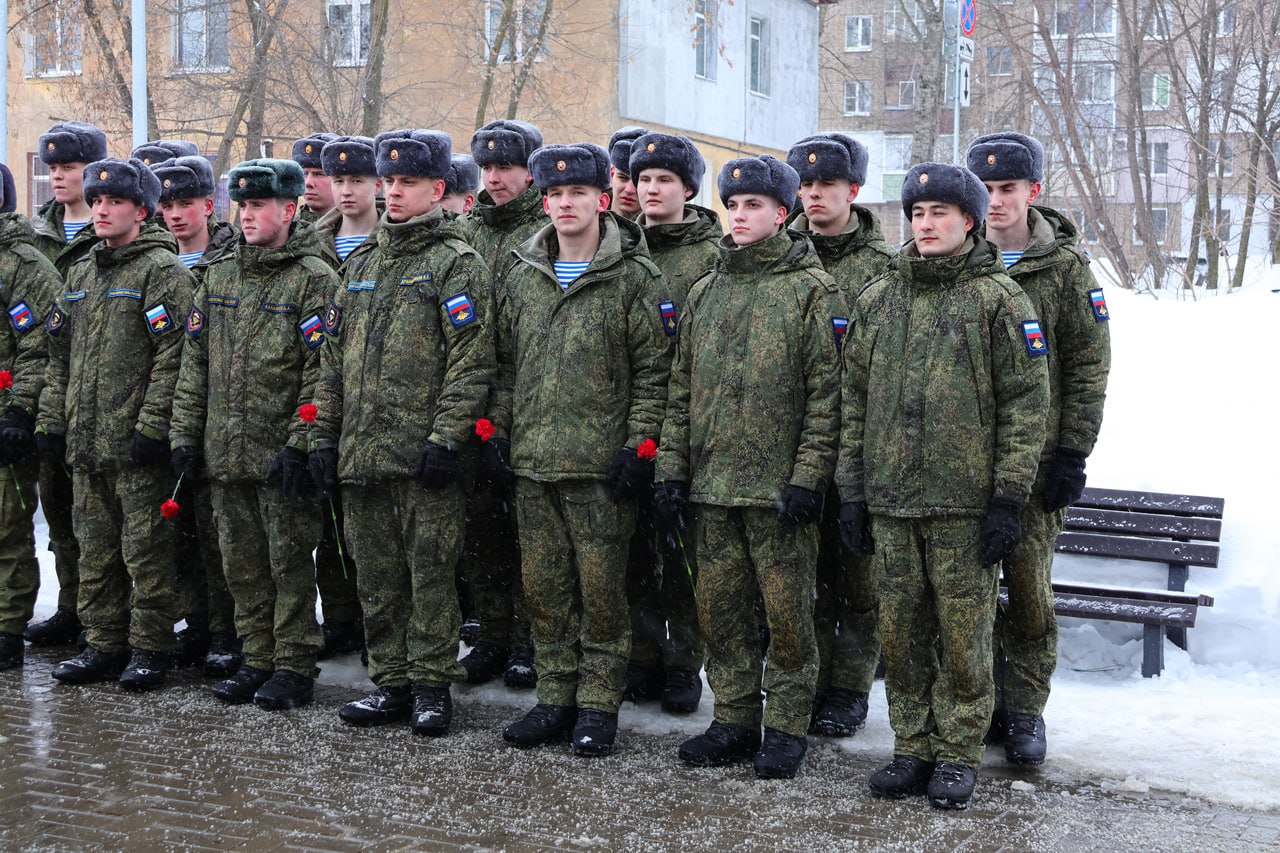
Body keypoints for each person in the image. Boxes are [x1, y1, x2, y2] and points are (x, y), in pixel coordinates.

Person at [836, 162, 1049, 809]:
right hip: (893, 501)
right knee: (899, 634)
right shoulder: (879, 297)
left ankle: (957, 751)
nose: (926, 225)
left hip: (963, 504)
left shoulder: (1000, 300)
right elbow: (854, 400)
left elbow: (1025, 408)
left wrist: (1009, 498)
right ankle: (913, 745)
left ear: (970, 220)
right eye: (918, 214)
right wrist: (852, 490)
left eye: (940, 214)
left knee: (963, 637)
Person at [654, 155, 841, 780]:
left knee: (787, 616)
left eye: (753, 206)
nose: (739, 216)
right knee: (721, 610)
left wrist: (807, 477)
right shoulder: (707, 290)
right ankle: (733, 717)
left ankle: (785, 725)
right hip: (713, 487)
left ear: (782, 215)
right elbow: (681, 391)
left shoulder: (812, 291)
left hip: (777, 490)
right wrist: (673, 471)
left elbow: (827, 395)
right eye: (732, 206)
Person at [308, 129, 495, 736]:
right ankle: (390, 682)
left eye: (406, 183)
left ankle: (431, 686)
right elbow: (330, 361)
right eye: (387, 181)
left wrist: (446, 439)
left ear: (437, 189)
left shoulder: (455, 262)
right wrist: (324, 436)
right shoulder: (358, 265)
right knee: (378, 576)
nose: (392, 192)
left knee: (430, 574)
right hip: (363, 453)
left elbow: (471, 360)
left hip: (423, 454)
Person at [496, 142, 668, 756]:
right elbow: (505, 367)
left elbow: (655, 373)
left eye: (576, 194)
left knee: (601, 596)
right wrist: (498, 433)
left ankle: (597, 704)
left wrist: (638, 448)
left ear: (602, 200)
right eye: (554, 195)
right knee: (544, 591)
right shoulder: (521, 274)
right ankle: (554, 698)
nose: (564, 204)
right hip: (534, 464)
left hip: (600, 468)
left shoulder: (634, 278)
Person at [170, 158, 336, 710]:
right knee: (240, 564)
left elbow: (322, 371)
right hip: (225, 451)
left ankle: (293, 663)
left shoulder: (313, 279)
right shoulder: (218, 276)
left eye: (259, 205)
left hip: (278, 456)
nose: (246, 215)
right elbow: (196, 365)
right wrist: (185, 436)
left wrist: (299, 442)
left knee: (288, 564)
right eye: (241, 205)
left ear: (289, 210)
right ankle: (257, 655)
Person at [966, 132, 1111, 766]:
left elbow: (1088, 366)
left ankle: (1023, 711)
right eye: (987, 191)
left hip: (1034, 462)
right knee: (963, 597)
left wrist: (1072, 452)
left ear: (1034, 192)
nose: (996, 202)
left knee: (1026, 593)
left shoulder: (1066, 270)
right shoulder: (950, 261)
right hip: (959, 465)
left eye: (1008, 190)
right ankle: (971, 706)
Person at [39, 158, 194, 691]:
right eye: (97, 201)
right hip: (86, 441)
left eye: (114, 203)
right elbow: (58, 354)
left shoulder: (162, 272)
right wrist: (52, 418)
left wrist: (153, 425)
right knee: (94, 546)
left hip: (134, 445)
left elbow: (175, 355)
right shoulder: (80, 273)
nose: (101, 210)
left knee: (146, 550)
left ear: (141, 211)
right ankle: (103, 641)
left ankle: (151, 646)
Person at [786, 133, 894, 738]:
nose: (812, 195)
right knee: (795, 578)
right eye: (803, 185)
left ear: (853, 191)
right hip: (788, 445)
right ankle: (801, 681)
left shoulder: (881, 270)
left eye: (825, 185)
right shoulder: (781, 256)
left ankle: (849, 687)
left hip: (855, 447)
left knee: (856, 580)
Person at [620, 131, 720, 713]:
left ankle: (684, 663)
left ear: (688, 189)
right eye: (643, 179)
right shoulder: (620, 248)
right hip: (626, 423)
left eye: (664, 180)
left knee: (682, 556)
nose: (651, 189)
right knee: (633, 551)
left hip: (684, 425)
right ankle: (642, 656)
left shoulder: (711, 255)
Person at [460, 119, 547, 690]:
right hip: (471, 399)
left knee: (528, 535)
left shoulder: (547, 231)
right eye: (487, 168)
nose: (495, 178)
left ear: (529, 171)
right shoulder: (467, 232)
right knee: (482, 530)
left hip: (531, 399)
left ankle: (529, 642)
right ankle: (491, 633)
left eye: (506, 168)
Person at [151, 152, 242, 678]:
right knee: (177, 537)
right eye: (165, 205)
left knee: (217, 539)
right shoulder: (158, 263)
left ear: (209, 206)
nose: (175, 214)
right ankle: (198, 623)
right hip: (166, 423)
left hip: (221, 424)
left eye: (185, 203)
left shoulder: (227, 264)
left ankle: (226, 632)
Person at [25, 121, 107, 649]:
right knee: (58, 511)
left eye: (69, 169)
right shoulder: (38, 235)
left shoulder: (109, 232)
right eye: (51, 169)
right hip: (50, 392)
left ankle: (106, 617)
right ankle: (72, 604)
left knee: (97, 518)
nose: (58, 178)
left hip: (102, 394)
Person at [310, 135, 381, 660]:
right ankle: (338, 617)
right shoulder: (312, 244)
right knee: (329, 528)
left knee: (373, 537)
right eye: (339, 180)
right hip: (321, 400)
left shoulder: (390, 245)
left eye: (357, 179)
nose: (347, 190)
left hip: (377, 408)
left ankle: (373, 624)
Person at [0, 162, 63, 671]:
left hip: (5, 422)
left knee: (5, 533)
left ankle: (6, 628)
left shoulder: (22, 266)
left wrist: (20, 410)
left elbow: (39, 346)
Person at [292, 133, 339, 224]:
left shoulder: (356, 229)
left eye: (319, 174)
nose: (308, 183)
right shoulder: (287, 229)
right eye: (304, 173)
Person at [606, 126, 648, 220]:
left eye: (638, 181)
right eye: (623, 178)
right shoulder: (588, 225)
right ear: (612, 175)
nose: (629, 190)